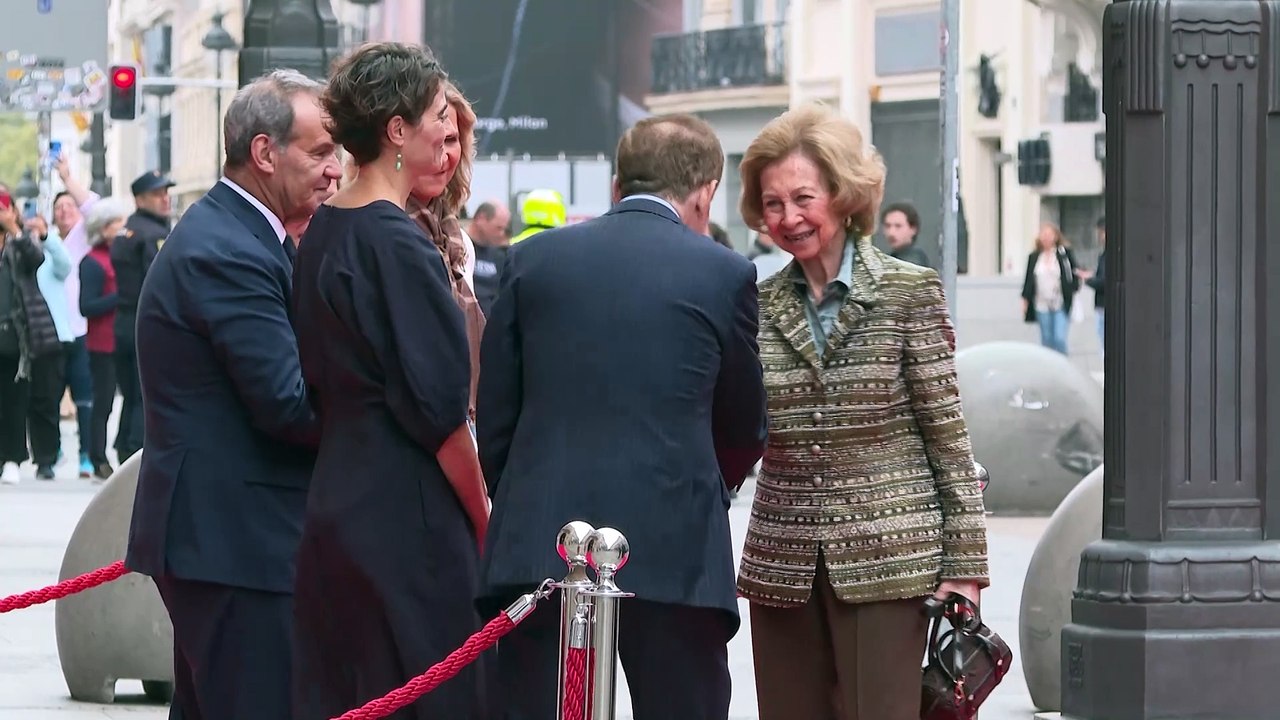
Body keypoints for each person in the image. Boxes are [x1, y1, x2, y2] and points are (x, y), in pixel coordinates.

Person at [477, 113, 767, 720]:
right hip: (675, 546)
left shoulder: (531, 260)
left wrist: (522, 497)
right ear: (706, 190)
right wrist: (710, 480)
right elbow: (743, 424)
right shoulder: (725, 273)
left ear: (615, 185)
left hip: (544, 545)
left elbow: (498, 413)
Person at [735, 103, 989, 720]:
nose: (789, 218)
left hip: (891, 559)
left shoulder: (909, 292)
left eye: (803, 198)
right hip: (782, 564)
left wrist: (967, 567)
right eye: (772, 204)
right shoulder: (751, 302)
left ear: (845, 195)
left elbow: (947, 437)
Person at [125, 69, 341, 720]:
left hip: (229, 540)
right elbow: (287, 403)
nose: (334, 170)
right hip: (233, 544)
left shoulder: (243, 234)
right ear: (265, 153)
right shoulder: (229, 248)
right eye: (321, 151)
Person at [290, 42, 490, 720]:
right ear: (396, 130)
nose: (450, 132)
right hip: (409, 518)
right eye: (439, 115)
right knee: (430, 693)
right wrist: (485, 518)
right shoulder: (396, 243)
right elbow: (439, 415)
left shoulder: (323, 232)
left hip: (337, 502)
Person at [406, 80, 486, 423]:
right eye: (432, 140)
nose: (443, 154)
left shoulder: (459, 241)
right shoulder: (377, 227)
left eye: (451, 140)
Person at [113, 169, 175, 461]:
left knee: (130, 391)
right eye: (157, 194)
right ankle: (135, 453)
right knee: (143, 392)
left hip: (123, 320)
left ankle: (124, 444)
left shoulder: (125, 232)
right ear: (139, 199)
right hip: (145, 321)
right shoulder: (155, 235)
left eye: (166, 193)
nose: (165, 199)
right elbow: (161, 281)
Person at [0, 191, 59, 485]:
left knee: (14, 400)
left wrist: (14, 229)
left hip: (15, 335)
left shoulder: (19, 244)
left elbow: (36, 259)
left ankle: (12, 458)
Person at [78, 200, 129, 480]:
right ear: (104, 229)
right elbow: (87, 306)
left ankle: (123, 448)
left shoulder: (120, 256)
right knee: (104, 402)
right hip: (102, 343)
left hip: (123, 339)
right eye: (116, 224)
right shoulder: (92, 262)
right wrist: (121, 295)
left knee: (132, 399)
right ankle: (97, 456)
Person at [1020, 222, 1080, 355]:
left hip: (1060, 302)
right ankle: (1049, 369)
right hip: (1041, 303)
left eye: (1049, 235)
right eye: (1044, 235)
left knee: (1059, 338)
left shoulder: (1064, 254)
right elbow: (1028, 280)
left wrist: (1073, 289)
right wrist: (1024, 300)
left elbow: (1073, 273)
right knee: (1046, 340)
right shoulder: (1034, 257)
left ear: (1055, 237)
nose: (1046, 238)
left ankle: (1063, 366)